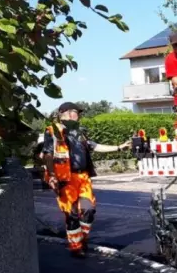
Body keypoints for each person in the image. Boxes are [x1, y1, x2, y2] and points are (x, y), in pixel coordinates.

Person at [42, 102, 131, 257]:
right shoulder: (53, 131)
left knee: (89, 209)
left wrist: (119, 147)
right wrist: (52, 175)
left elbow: (95, 146)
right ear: (67, 113)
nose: (78, 115)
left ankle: (82, 239)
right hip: (65, 178)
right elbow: (48, 154)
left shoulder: (80, 132)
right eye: (77, 112)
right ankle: (76, 247)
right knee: (72, 214)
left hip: (83, 177)